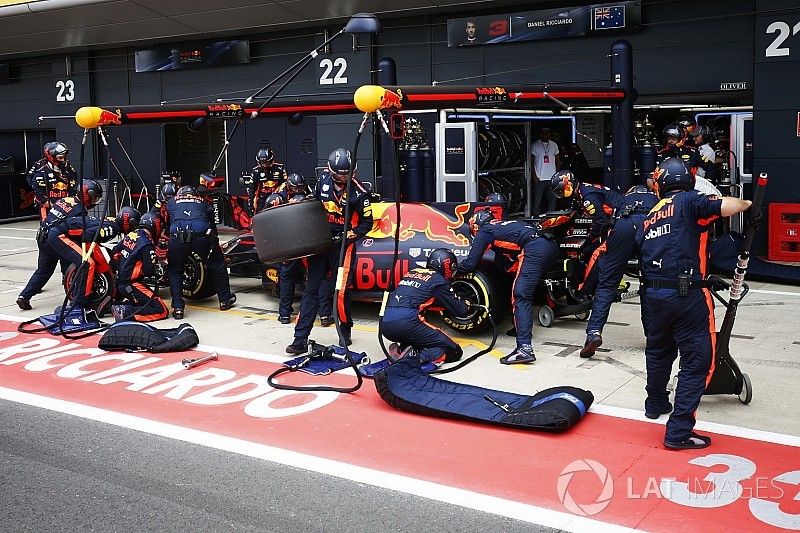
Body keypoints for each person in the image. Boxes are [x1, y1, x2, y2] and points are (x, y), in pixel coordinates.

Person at [636, 157, 751, 450]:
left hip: (653, 297)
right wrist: (747, 204)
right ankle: (679, 432)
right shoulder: (689, 201)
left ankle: (655, 403)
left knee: (659, 351)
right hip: (686, 297)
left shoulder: (650, 215)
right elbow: (725, 206)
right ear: (687, 180)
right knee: (699, 361)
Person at [286, 148, 373, 354]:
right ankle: (300, 338)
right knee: (311, 290)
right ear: (330, 170)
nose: (343, 177)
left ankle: (345, 331)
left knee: (341, 291)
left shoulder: (360, 193)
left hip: (344, 246)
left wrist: (347, 236)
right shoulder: (322, 182)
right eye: (339, 174)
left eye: (347, 173)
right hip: (321, 244)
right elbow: (314, 207)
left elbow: (366, 223)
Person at [457, 209, 561, 364]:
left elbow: (470, 264)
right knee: (516, 280)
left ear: (476, 225)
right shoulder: (504, 225)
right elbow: (506, 264)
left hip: (534, 248)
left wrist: (452, 270)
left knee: (520, 295)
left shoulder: (485, 231)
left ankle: (524, 349)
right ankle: (519, 326)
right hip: (551, 246)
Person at [579, 183, 659, 358]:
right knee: (650, 282)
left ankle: (594, 332)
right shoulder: (656, 198)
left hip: (623, 225)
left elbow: (607, 220)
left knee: (607, 285)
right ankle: (652, 336)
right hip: (650, 225)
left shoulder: (624, 198)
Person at [17, 179, 116, 310]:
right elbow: (76, 231)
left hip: (43, 237)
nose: (94, 202)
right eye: (94, 198)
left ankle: (24, 296)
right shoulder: (79, 210)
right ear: (86, 194)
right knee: (79, 265)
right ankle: (77, 298)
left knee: (44, 270)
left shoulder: (66, 200)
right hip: (56, 239)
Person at [380, 248, 471, 368]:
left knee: (421, 336)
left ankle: (402, 349)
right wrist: (467, 303)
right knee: (455, 351)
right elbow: (460, 310)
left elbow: (421, 298)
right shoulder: (439, 280)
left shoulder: (412, 272)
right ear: (446, 265)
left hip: (385, 325)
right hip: (407, 323)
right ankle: (415, 358)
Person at [163, 185, 236, 319]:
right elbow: (212, 225)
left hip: (177, 238)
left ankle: (178, 308)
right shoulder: (203, 202)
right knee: (218, 264)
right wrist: (214, 243)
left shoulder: (172, 202)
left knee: (175, 270)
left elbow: (167, 223)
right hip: (201, 237)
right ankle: (225, 300)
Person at [550, 169, 622, 297]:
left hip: (619, 221)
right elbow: (577, 210)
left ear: (569, 185)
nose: (561, 194)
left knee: (593, 252)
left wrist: (588, 241)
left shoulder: (588, 197)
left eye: (561, 191)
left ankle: (584, 291)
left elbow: (601, 222)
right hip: (615, 218)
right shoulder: (581, 191)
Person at [110, 208, 169, 322]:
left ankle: (121, 306)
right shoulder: (146, 244)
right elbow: (149, 271)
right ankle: (126, 312)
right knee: (161, 309)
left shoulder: (132, 234)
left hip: (120, 282)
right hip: (132, 284)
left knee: (144, 300)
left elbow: (115, 251)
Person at [29, 142, 78, 221]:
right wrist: (52, 206)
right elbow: (38, 192)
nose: (63, 160)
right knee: (48, 228)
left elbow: (72, 188)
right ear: (51, 157)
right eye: (60, 157)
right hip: (48, 206)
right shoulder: (41, 171)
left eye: (64, 157)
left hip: (66, 206)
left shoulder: (69, 169)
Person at [243, 148, 287, 215]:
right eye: (262, 163)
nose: (265, 165)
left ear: (271, 160)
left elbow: (285, 183)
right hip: (262, 199)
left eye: (267, 162)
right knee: (259, 216)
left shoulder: (280, 168)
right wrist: (250, 205)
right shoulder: (256, 171)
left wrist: (282, 197)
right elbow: (252, 189)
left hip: (277, 197)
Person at [530, 127, 560, 216]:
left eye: (547, 133)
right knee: (537, 202)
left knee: (552, 201)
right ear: (540, 134)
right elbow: (531, 162)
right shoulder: (535, 145)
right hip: (540, 178)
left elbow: (557, 160)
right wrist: (534, 176)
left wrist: (557, 174)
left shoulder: (554, 145)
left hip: (552, 178)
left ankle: (551, 220)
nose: (545, 135)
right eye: (543, 133)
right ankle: (535, 220)